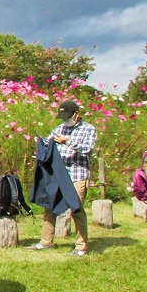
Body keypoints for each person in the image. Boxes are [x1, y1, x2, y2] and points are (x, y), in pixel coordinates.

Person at [27, 99, 98, 256]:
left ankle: (81, 246)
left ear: (77, 114)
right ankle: (46, 242)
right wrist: (41, 143)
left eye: (67, 117)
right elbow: (50, 145)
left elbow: (87, 150)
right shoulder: (60, 128)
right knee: (49, 207)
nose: (65, 120)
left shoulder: (89, 130)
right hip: (59, 175)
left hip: (78, 175)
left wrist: (68, 142)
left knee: (76, 209)